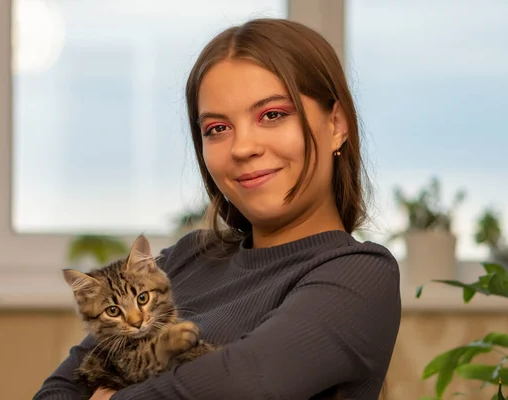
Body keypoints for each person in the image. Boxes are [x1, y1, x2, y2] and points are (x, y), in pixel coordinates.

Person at [33, 18, 401, 400]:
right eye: (217, 129)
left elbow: (244, 383)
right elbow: (59, 390)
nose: (242, 147)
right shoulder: (186, 259)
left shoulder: (360, 275)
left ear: (336, 124)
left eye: (272, 115)